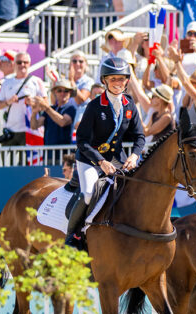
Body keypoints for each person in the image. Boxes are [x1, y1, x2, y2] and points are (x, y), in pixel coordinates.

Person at [66, 57, 145, 248]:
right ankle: (75, 235)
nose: (118, 83)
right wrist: (101, 162)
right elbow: (82, 141)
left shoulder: (129, 104)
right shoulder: (94, 106)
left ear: (127, 80)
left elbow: (140, 136)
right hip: (90, 159)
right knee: (88, 193)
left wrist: (134, 155)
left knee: (138, 188)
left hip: (117, 158)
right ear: (105, 81)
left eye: (121, 79)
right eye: (113, 79)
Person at [0, 52, 46, 146]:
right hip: (10, 130)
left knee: (26, 161)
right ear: (14, 64)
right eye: (19, 62)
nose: (22, 65)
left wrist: (33, 102)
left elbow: (46, 104)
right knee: (8, 161)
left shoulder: (36, 81)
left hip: (29, 130)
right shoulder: (6, 82)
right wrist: (8, 102)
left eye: (25, 62)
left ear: (29, 64)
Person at [31, 79, 76, 146]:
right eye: (59, 90)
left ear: (70, 93)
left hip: (64, 152)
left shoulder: (71, 108)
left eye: (66, 91)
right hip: (48, 151)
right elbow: (34, 126)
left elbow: (63, 122)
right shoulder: (51, 109)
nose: (62, 93)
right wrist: (34, 112)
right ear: (55, 92)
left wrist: (46, 107)